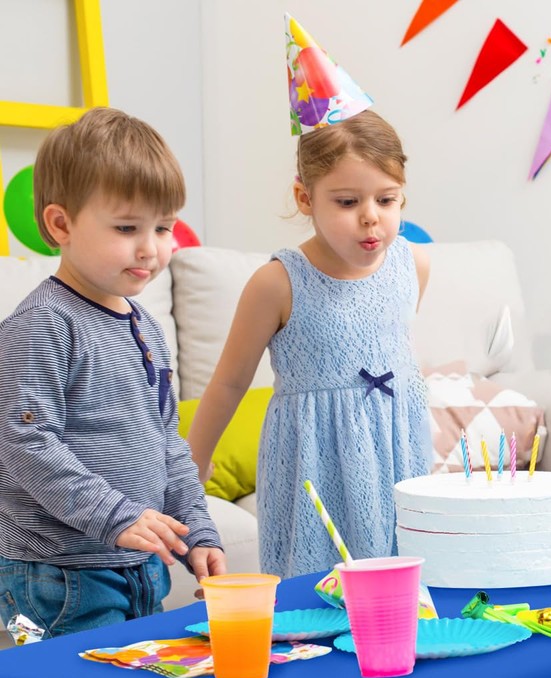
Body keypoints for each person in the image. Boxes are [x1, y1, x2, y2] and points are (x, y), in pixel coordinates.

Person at [0, 107, 226, 639]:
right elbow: (24, 442)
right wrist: (116, 516)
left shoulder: (144, 324)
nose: (151, 247)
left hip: (139, 563)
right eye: (127, 228)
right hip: (56, 573)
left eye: (163, 226)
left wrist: (198, 529)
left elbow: (167, 441)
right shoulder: (43, 324)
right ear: (61, 225)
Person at [187, 107, 433, 577]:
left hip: (400, 450)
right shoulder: (277, 283)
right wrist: (191, 464)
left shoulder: (414, 265)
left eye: (387, 200)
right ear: (305, 197)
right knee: (318, 586)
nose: (370, 218)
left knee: (406, 580)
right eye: (346, 202)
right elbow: (228, 382)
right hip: (317, 457)